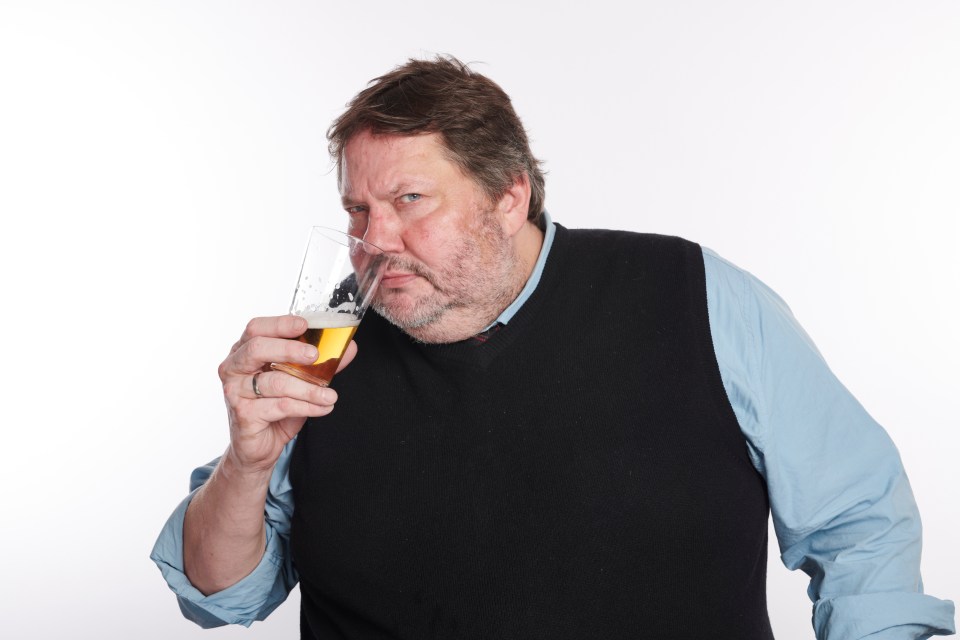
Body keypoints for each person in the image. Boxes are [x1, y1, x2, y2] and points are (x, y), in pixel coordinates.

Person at [152, 56, 955, 639]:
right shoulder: (322, 352)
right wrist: (247, 465)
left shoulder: (695, 295)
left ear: (509, 197)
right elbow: (219, 593)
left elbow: (857, 520)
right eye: (357, 210)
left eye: (409, 200)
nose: (375, 240)